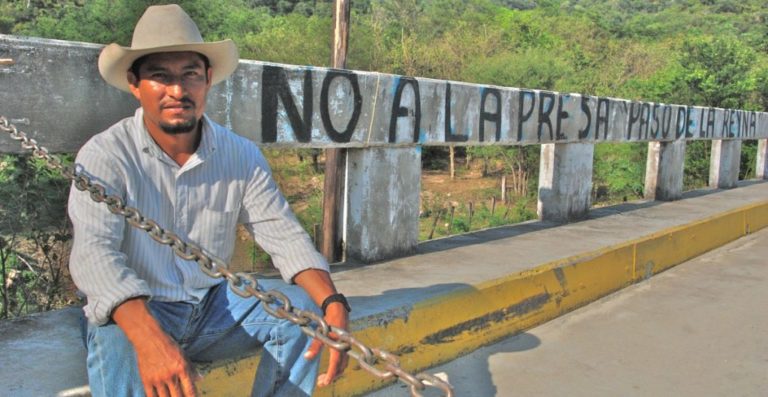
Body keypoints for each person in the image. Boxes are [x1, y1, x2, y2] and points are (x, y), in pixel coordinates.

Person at [68, 4, 349, 397]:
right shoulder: (106, 155)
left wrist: (333, 302)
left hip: (214, 308)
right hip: (139, 311)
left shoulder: (240, 155)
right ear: (134, 83)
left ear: (208, 79)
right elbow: (94, 255)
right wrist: (151, 341)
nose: (177, 91)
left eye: (190, 76)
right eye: (160, 77)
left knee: (303, 312)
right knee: (115, 336)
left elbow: (283, 235)